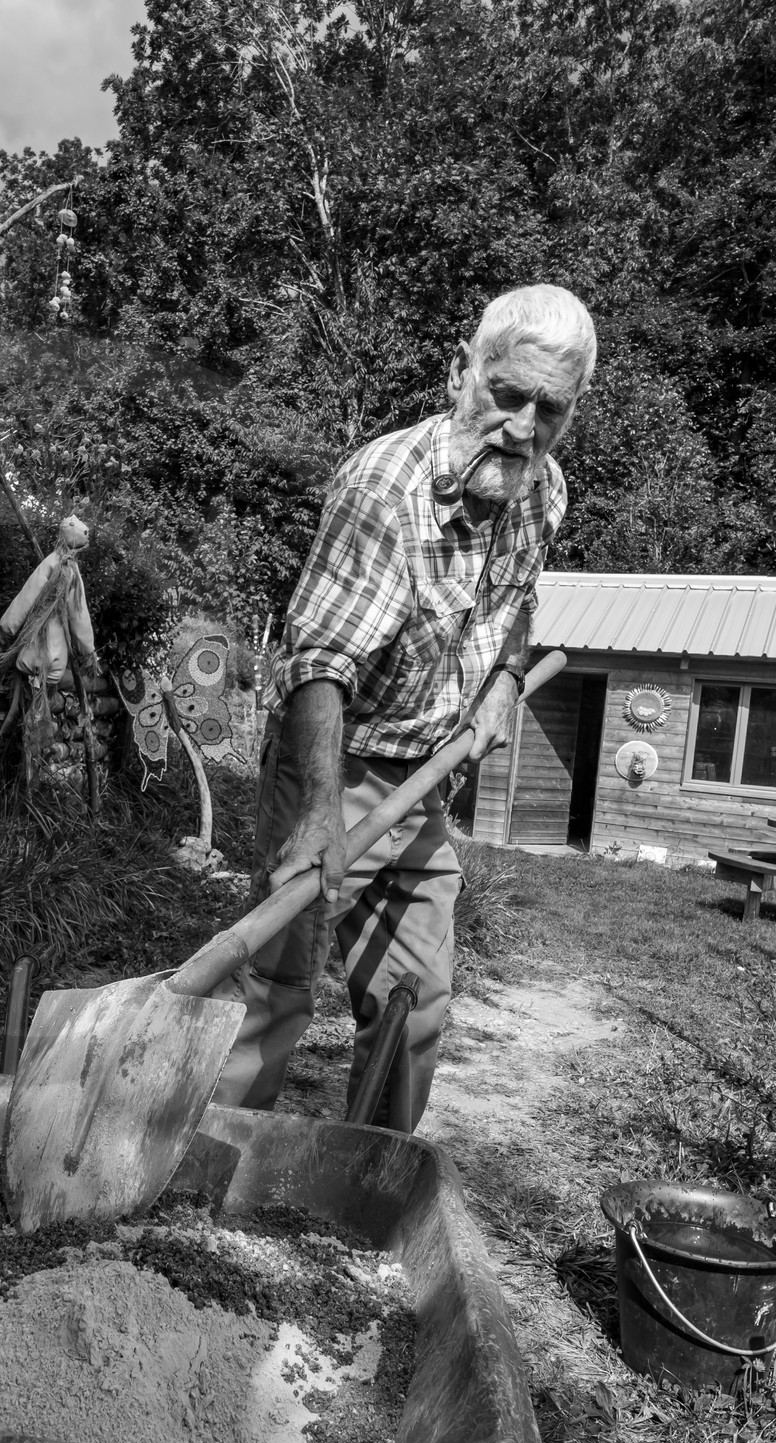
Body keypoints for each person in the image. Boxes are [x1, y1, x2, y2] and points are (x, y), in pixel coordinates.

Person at [213, 284, 597, 1127]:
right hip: (336, 761)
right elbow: (320, 661)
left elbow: (518, 599)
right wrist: (317, 815)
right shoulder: (384, 489)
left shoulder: (545, 489)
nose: (524, 428)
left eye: (552, 410)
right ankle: (205, 1166)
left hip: (428, 775)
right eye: (507, 395)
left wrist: (502, 683)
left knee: (416, 1000)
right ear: (462, 371)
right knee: (278, 982)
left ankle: (366, 1180)